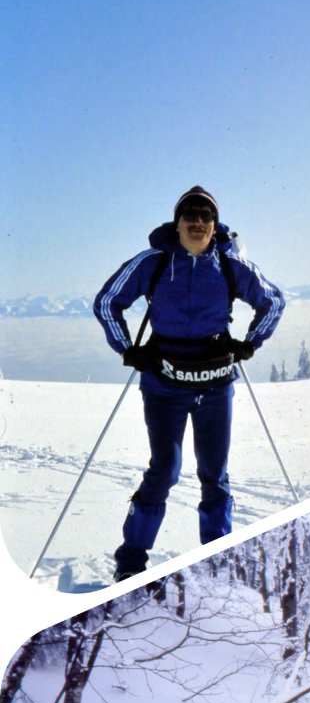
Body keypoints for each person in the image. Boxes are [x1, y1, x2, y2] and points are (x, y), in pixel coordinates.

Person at [94, 187, 285, 581]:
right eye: (190, 216)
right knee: (164, 470)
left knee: (215, 475)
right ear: (177, 222)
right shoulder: (154, 262)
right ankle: (131, 561)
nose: (197, 223)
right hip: (163, 385)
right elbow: (106, 301)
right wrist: (128, 349)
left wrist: (250, 342)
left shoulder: (232, 265)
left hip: (216, 385)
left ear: (214, 226)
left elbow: (274, 301)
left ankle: (216, 563)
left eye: (205, 217)